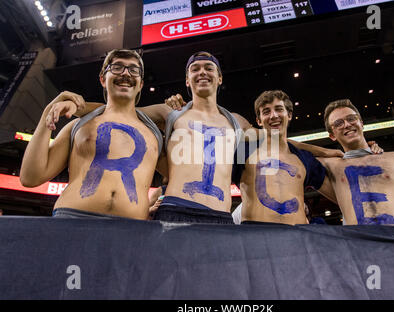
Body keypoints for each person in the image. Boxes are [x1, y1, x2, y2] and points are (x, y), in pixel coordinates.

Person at [45, 51, 342, 224]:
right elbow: (118, 109)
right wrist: (78, 104)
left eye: (209, 68)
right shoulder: (169, 112)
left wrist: (325, 151)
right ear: (187, 80)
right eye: (195, 69)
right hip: (175, 211)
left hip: (219, 217)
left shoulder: (237, 122)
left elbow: (276, 140)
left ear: (220, 78)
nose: (202, 73)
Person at [20, 49, 163, 220]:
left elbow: (181, 175)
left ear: (140, 84)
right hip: (74, 218)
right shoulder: (79, 125)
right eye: (117, 67)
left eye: (134, 70)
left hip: (130, 227)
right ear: (103, 79)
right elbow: (30, 177)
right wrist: (47, 113)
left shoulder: (154, 133)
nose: (126, 74)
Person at [231, 90, 337, 225]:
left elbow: (341, 196)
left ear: (290, 115)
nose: (273, 115)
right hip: (256, 237)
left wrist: (367, 151)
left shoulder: (304, 158)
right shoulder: (244, 151)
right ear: (259, 120)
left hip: (297, 238)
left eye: (279, 109)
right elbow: (233, 120)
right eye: (266, 112)